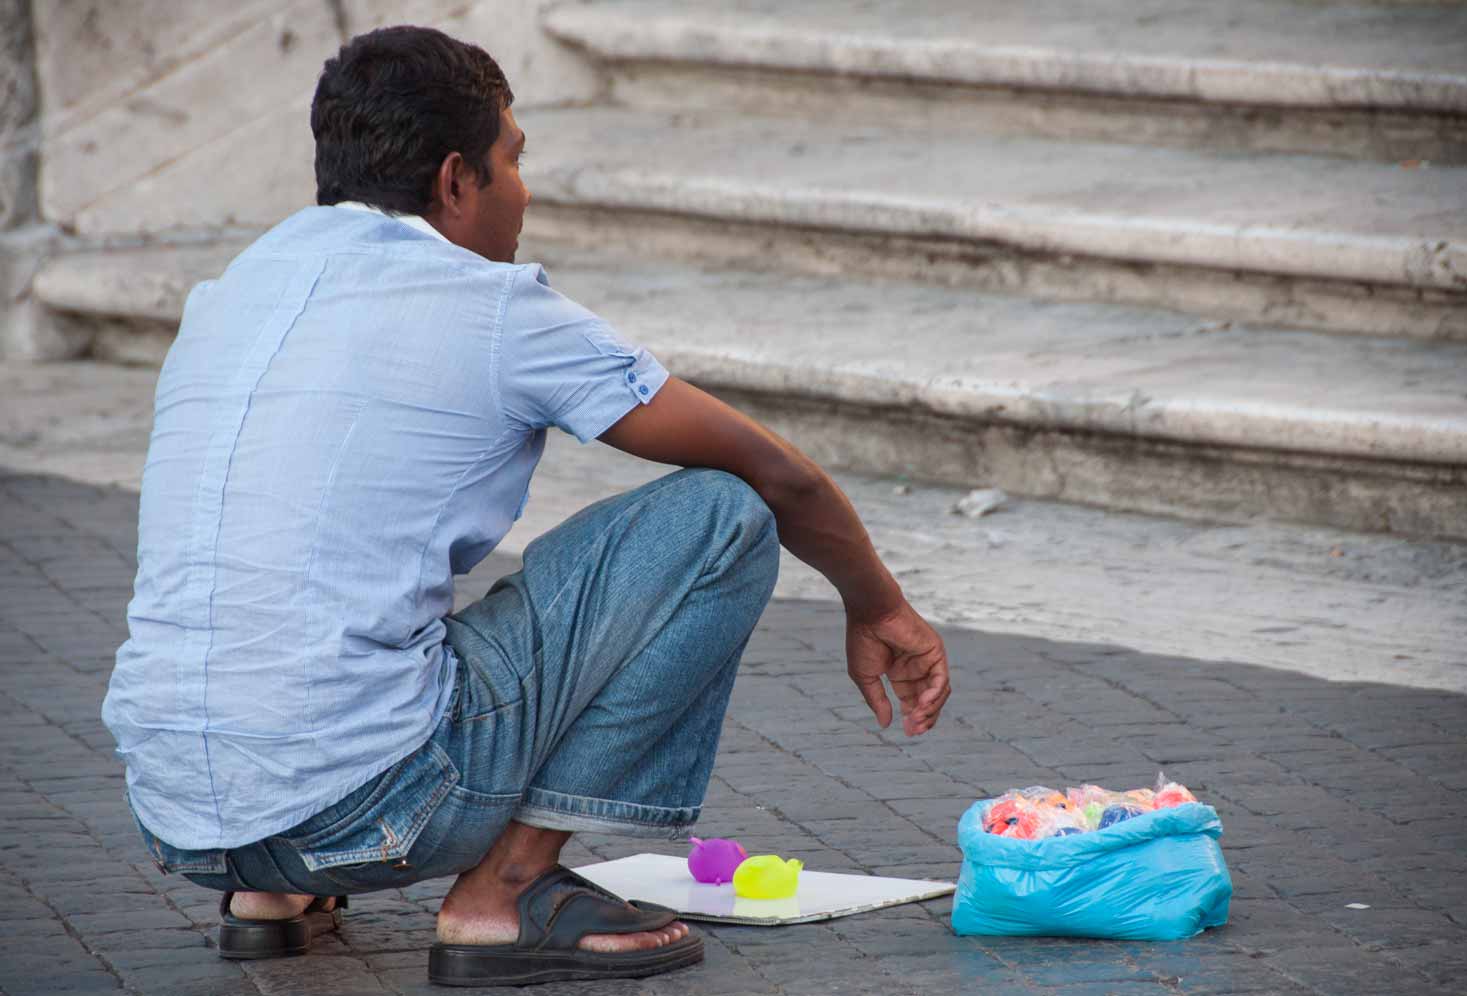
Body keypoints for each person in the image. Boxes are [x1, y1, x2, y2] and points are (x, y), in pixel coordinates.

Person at [101, 24, 951, 988]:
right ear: (457, 179)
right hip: (375, 807)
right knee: (721, 516)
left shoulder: (235, 287)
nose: (525, 190)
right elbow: (779, 476)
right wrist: (879, 605)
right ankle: (503, 895)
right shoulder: (490, 304)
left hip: (175, 816)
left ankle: (270, 891)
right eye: (514, 160)